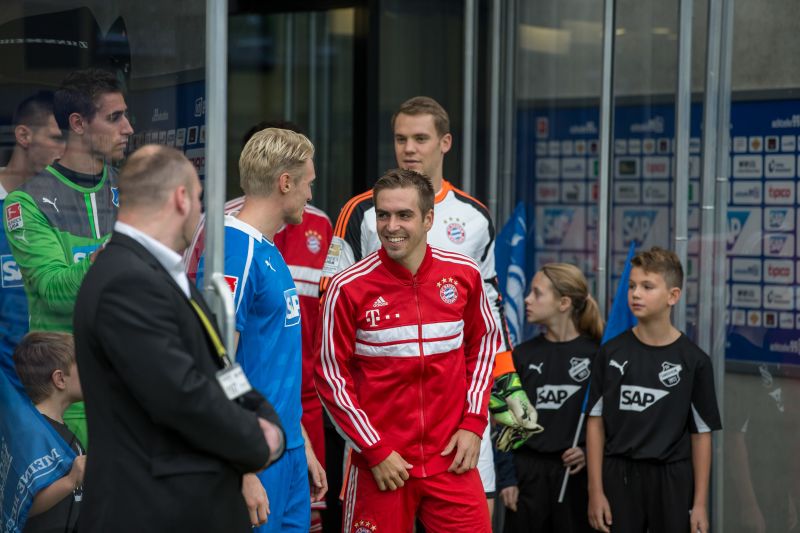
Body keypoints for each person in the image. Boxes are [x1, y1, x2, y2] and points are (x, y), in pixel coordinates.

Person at [319, 96, 538, 514]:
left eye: (421, 138)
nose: (409, 149)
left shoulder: (475, 215)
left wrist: (510, 413)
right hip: (385, 414)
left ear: (445, 143)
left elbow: (489, 316)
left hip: (457, 409)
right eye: (401, 139)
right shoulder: (363, 210)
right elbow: (333, 312)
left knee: (484, 502)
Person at [72, 145, 285, 533]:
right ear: (181, 198)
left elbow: (221, 366)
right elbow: (180, 395)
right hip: (151, 513)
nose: (202, 212)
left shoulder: (161, 272)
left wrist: (263, 417)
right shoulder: (125, 280)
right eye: (200, 199)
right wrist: (256, 440)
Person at [315, 168, 500, 532]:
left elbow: (483, 346)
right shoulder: (347, 287)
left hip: (451, 460)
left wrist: (474, 423)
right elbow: (330, 375)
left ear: (429, 218)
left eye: (404, 215)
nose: (391, 225)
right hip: (382, 467)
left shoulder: (464, 274)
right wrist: (375, 450)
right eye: (383, 215)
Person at [185, 120, 332, 533]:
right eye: (307, 182)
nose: (310, 193)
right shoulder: (236, 250)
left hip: (285, 451)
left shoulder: (267, 248)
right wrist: (241, 469)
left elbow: (274, 365)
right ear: (285, 182)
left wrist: (300, 443)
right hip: (253, 457)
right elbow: (214, 366)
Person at [3, 69, 134, 446]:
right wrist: (108, 257)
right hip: (68, 397)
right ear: (77, 124)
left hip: (131, 386)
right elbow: (53, 290)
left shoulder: (133, 191)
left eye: (126, 115)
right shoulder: (26, 201)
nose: (128, 128)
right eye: (114, 117)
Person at [586, 247, 722, 533]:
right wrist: (595, 491)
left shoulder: (695, 361)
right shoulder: (610, 353)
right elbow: (595, 422)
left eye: (648, 287)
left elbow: (701, 434)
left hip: (672, 478)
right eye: (633, 286)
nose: (636, 293)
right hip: (618, 475)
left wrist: (699, 504)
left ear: (673, 296)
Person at [498, 263, 602, 533]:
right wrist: (508, 478)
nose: (527, 300)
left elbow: (612, 420)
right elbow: (504, 421)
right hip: (527, 477)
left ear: (564, 302)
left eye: (537, 293)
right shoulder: (519, 355)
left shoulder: (598, 356)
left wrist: (587, 452)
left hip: (574, 476)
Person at [0, 92, 64, 377]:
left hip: (54, 379)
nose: (66, 151)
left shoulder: (67, 210)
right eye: (57, 138)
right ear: (24, 135)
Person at [13, 331, 84, 533]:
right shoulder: (31, 433)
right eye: (84, 366)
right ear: (60, 379)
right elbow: (22, 504)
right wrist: (71, 481)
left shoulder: (59, 433)